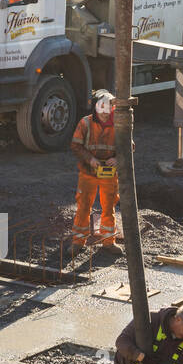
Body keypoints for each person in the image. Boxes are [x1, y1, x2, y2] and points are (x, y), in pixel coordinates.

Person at [70, 90, 119, 252]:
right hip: (88, 172)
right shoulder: (85, 123)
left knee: (109, 206)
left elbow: (129, 146)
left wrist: (118, 158)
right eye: (102, 111)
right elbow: (76, 145)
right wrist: (90, 159)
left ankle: (108, 242)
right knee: (83, 206)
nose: (105, 115)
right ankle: (78, 242)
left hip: (109, 173)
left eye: (108, 111)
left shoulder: (119, 124)